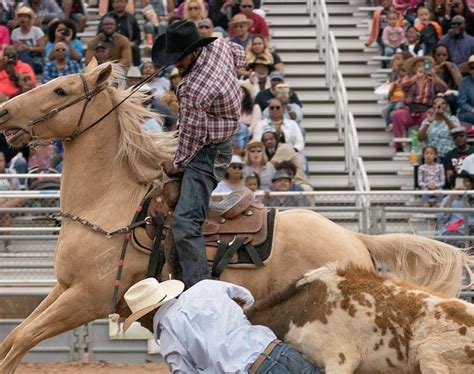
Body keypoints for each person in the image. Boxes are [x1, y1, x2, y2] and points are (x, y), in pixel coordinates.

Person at [153, 21, 245, 289]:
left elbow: (193, 137)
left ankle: (200, 288)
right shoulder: (218, 45)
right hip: (219, 135)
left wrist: (177, 164)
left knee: (184, 224)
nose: (176, 65)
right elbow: (241, 54)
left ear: (194, 51)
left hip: (210, 151)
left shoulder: (193, 89)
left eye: (179, 58)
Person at [122, 278, 321, 373]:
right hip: (278, 350)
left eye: (140, 319)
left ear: (149, 315)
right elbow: (247, 297)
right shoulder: (204, 287)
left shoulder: (168, 337)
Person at [391, 56, 448, 151]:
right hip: (410, 109)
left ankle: (428, 148)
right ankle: (399, 146)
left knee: (430, 118)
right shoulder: (409, 78)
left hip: (426, 109)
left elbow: (444, 89)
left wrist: (435, 76)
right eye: (417, 66)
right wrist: (415, 77)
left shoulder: (432, 80)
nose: (420, 68)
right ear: (414, 69)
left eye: (422, 65)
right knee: (397, 115)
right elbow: (402, 86)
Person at [417, 95, 459, 163]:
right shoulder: (427, 120)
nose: (439, 105)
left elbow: (457, 133)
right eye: (435, 103)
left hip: (449, 155)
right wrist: (428, 122)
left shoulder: (453, 119)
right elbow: (420, 138)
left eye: (442, 103)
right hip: (432, 157)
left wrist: (444, 117)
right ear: (432, 106)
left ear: (446, 106)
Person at [99, 0, 141, 66]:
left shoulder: (131, 18)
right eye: (117, 2)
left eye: (121, 2)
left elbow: (138, 38)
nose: (119, 4)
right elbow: (99, 35)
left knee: (135, 48)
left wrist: (132, 43)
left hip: (127, 45)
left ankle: (137, 69)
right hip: (109, 43)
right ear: (112, 4)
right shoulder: (106, 17)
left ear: (126, 3)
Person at [437, 170, 474, 238]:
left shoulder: (472, 196)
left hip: (471, 230)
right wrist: (452, 197)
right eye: (460, 181)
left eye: (466, 181)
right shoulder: (449, 198)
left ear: (471, 184)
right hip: (454, 231)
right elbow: (441, 218)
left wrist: (468, 196)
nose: (463, 184)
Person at [11, 6, 46, 74]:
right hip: (21, 59)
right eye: (20, 17)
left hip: (36, 60)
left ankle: (28, 73)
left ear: (30, 19)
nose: (22, 19)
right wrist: (18, 48)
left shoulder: (37, 30)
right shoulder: (15, 32)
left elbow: (42, 48)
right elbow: (14, 49)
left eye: (25, 17)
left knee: (23, 53)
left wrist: (29, 48)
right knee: (22, 53)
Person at [0, 151, 23, 253]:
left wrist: (6, 200)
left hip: (10, 202)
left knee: (21, 198)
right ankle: (8, 245)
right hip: (5, 208)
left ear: (5, 161)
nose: (0, 163)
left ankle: (2, 209)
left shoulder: (11, 173)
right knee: (5, 215)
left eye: (1, 160)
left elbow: (17, 193)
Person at [433, 44, 462, 115]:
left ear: (448, 56)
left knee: (451, 99)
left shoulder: (452, 66)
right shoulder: (432, 68)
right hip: (436, 95)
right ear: (434, 56)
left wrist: (451, 68)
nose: (441, 57)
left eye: (444, 55)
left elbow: (460, 84)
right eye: (438, 55)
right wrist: (435, 72)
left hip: (451, 95)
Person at [383, 52, 406, 130]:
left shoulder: (405, 71)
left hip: (402, 98)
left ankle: (395, 123)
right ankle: (389, 123)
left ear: (403, 60)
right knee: (385, 110)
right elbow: (391, 84)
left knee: (397, 108)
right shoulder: (393, 72)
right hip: (393, 98)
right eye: (394, 59)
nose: (396, 61)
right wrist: (394, 72)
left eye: (398, 59)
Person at [458, 55, 474, 125]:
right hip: (469, 113)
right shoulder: (464, 81)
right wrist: (472, 109)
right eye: (472, 68)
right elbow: (462, 102)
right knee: (464, 117)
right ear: (469, 70)